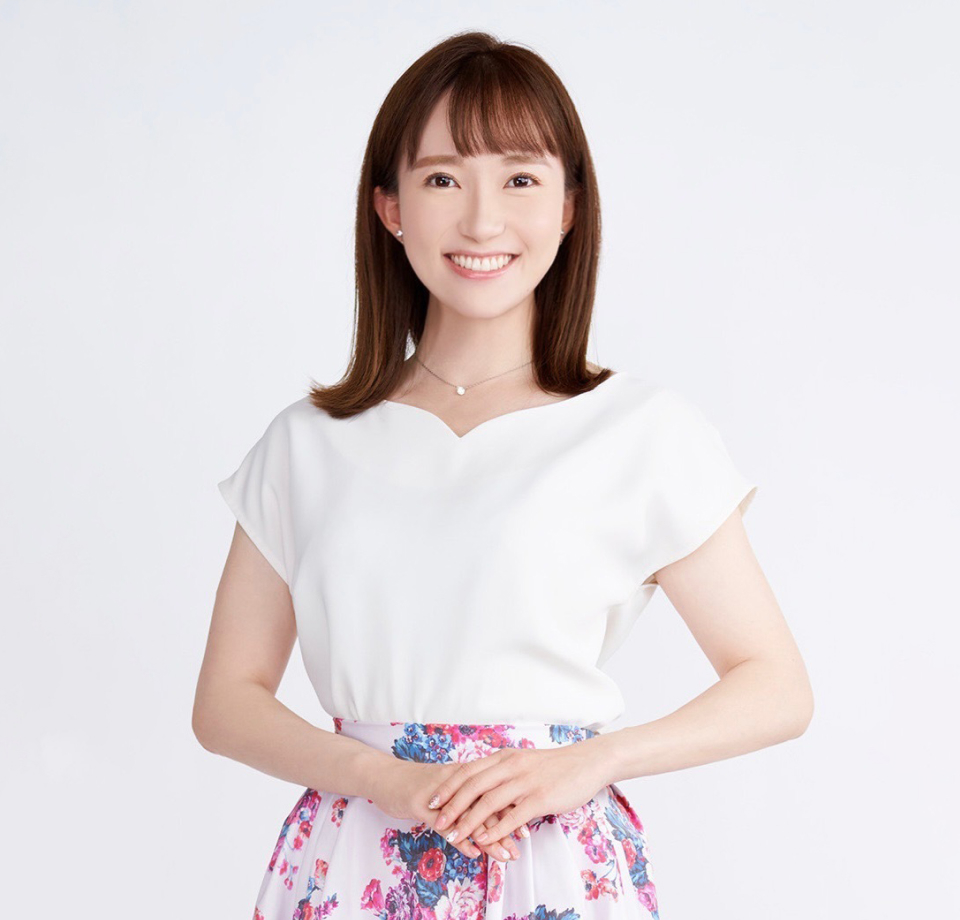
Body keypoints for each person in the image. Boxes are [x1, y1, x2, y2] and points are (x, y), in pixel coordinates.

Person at [193, 30, 813, 920]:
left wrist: (589, 761)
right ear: (389, 207)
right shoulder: (308, 443)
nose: (482, 221)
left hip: (552, 859)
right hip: (355, 858)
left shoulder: (641, 432)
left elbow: (776, 684)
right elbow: (225, 702)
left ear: (568, 206)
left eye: (520, 178)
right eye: (443, 179)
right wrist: (383, 778)